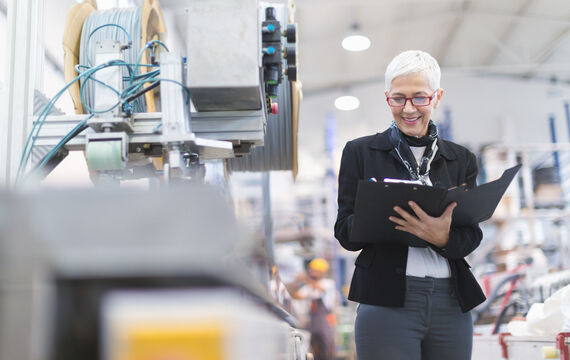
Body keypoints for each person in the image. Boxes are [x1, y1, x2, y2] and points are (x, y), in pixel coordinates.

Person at [334, 50, 486, 360]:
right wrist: (383, 217)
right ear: (387, 97)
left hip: (451, 301)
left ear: (437, 97)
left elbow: (471, 235)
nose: (408, 109)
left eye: (419, 98)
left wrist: (441, 237)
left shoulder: (461, 159)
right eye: (398, 99)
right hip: (387, 298)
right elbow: (345, 232)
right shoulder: (361, 152)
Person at [291, 258, 336, 360]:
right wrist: (296, 282)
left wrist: (305, 279)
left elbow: (321, 288)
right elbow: (296, 296)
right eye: (311, 270)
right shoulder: (309, 286)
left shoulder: (328, 283)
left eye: (314, 270)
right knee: (313, 349)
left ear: (322, 272)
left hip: (324, 322)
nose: (312, 272)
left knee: (326, 347)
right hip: (312, 322)